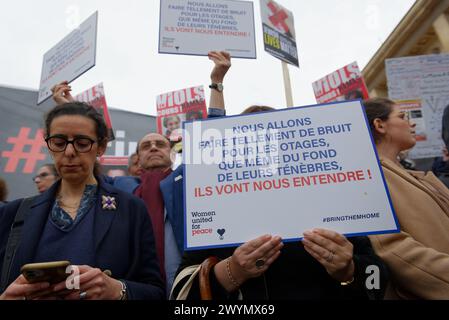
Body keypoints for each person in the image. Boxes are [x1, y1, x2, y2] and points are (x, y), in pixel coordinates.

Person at [170, 65, 388, 301]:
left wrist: (349, 270)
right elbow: (182, 295)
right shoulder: (217, 212)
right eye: (249, 141)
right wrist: (232, 271)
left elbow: (378, 279)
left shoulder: (332, 203)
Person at [50, 51, 232, 296]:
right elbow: (86, 150)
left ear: (173, 153)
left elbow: (214, 137)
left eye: (160, 144)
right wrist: (69, 109)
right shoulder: (117, 188)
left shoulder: (188, 179)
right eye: (146, 145)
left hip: (185, 290)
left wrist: (217, 82)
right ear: (137, 159)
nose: (154, 147)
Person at [0, 102, 164, 300]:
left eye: (82, 143)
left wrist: (118, 290)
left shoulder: (131, 209)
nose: (69, 152)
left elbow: (155, 291)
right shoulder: (14, 214)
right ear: (49, 145)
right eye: (59, 142)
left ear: (101, 147)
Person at [363, 98, 449, 299]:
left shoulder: (409, 174)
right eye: (402, 117)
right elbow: (394, 249)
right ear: (379, 125)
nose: (411, 123)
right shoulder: (370, 177)